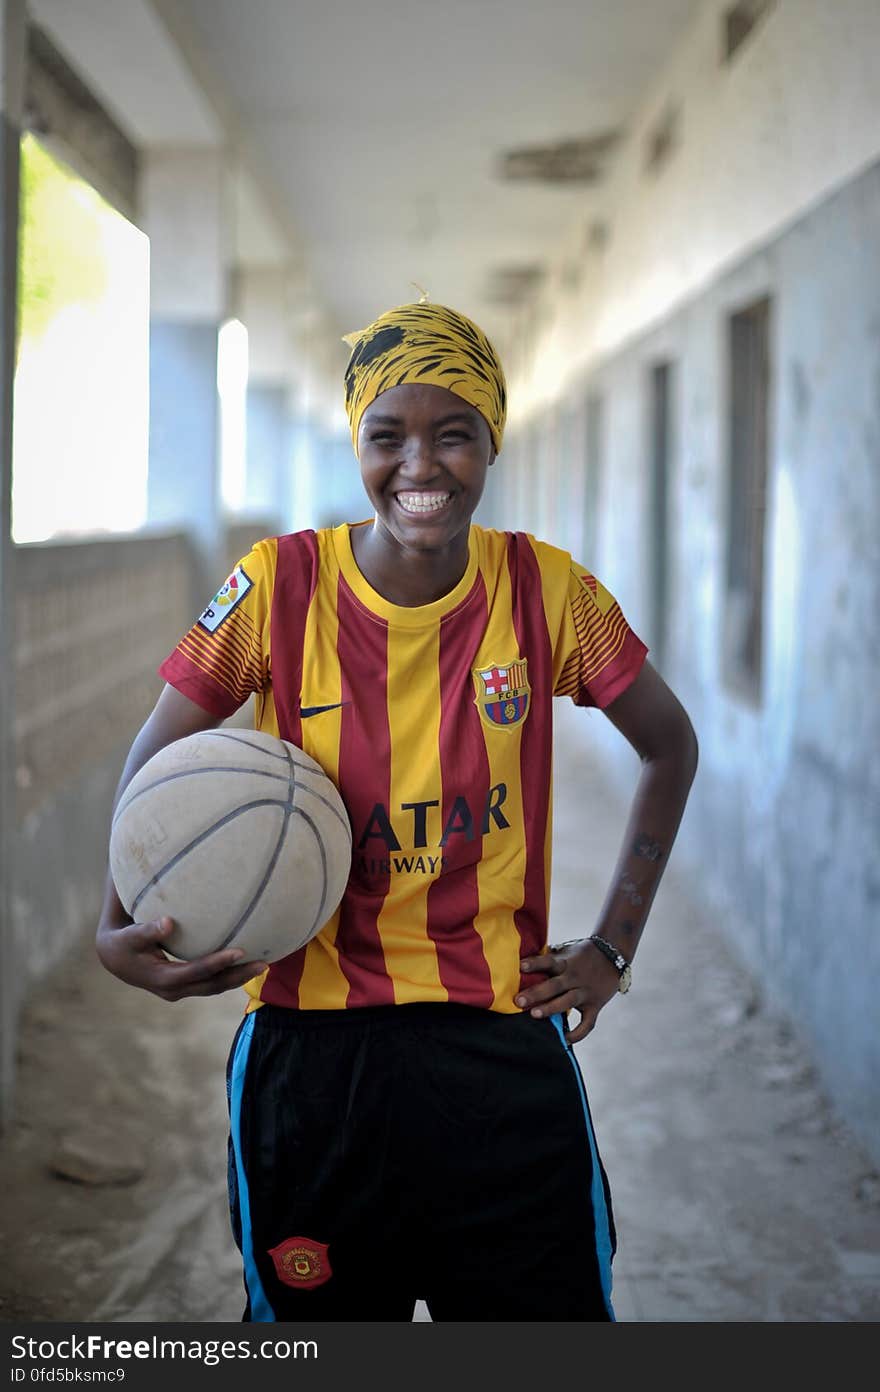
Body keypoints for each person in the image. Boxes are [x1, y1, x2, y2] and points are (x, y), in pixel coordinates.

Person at [96, 298, 698, 1322]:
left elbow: (667, 742)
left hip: (499, 1047)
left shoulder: (546, 591)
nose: (421, 465)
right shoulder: (275, 588)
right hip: (310, 1059)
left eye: (453, 433)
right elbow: (152, 771)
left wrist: (613, 949)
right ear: (357, 444)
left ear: (491, 442)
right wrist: (119, 929)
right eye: (388, 436)